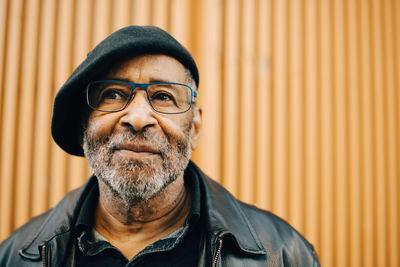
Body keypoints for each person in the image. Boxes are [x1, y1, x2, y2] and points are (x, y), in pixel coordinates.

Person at [0, 25, 320, 266]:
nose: (138, 118)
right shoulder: (17, 255)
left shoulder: (282, 254)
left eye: (164, 96)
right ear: (85, 127)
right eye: (113, 93)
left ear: (194, 128)